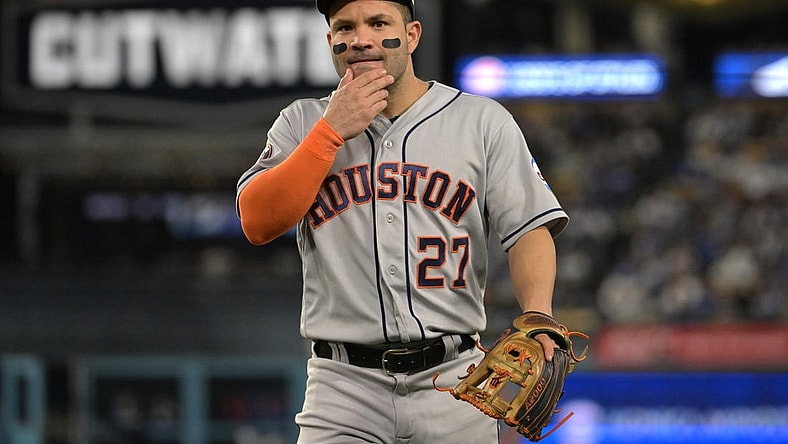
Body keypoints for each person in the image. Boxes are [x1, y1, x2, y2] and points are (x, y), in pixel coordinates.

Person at [236, 0, 569, 442]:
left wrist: (537, 311)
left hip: (455, 381)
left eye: (378, 23)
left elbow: (529, 227)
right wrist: (329, 133)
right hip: (343, 387)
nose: (360, 39)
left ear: (411, 35)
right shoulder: (302, 123)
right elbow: (257, 222)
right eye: (345, 27)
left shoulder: (480, 121)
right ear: (331, 41)